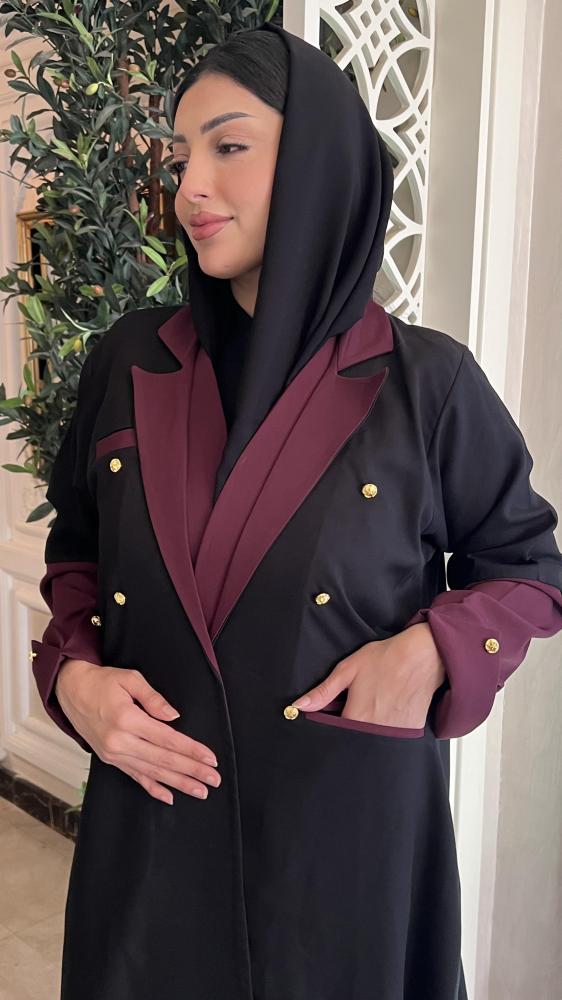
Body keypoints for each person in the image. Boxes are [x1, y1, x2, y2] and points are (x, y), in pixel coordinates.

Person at [30, 22, 562, 1000]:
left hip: (344, 844)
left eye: (228, 146)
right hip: (152, 838)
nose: (190, 187)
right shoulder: (131, 361)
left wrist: (432, 651)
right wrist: (73, 676)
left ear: (321, 165)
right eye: (179, 158)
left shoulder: (426, 383)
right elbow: (78, 557)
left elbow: (528, 567)